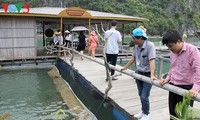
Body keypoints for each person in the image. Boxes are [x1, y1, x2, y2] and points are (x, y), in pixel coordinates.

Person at [159, 30, 200, 120]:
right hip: (173, 86)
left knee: (184, 117)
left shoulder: (192, 50)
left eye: (171, 46)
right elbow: (172, 67)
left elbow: (198, 70)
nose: (170, 49)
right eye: (168, 47)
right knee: (173, 115)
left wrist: (195, 88)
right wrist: (168, 78)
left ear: (178, 41)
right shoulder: (172, 53)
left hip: (187, 88)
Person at [121, 27, 157, 120]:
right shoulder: (136, 46)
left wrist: (152, 75)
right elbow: (133, 58)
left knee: (145, 96)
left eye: (134, 38)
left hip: (147, 74)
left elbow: (152, 60)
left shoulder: (150, 46)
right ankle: (143, 110)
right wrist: (125, 67)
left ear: (140, 38)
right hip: (139, 73)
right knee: (140, 94)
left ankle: (146, 114)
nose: (133, 40)